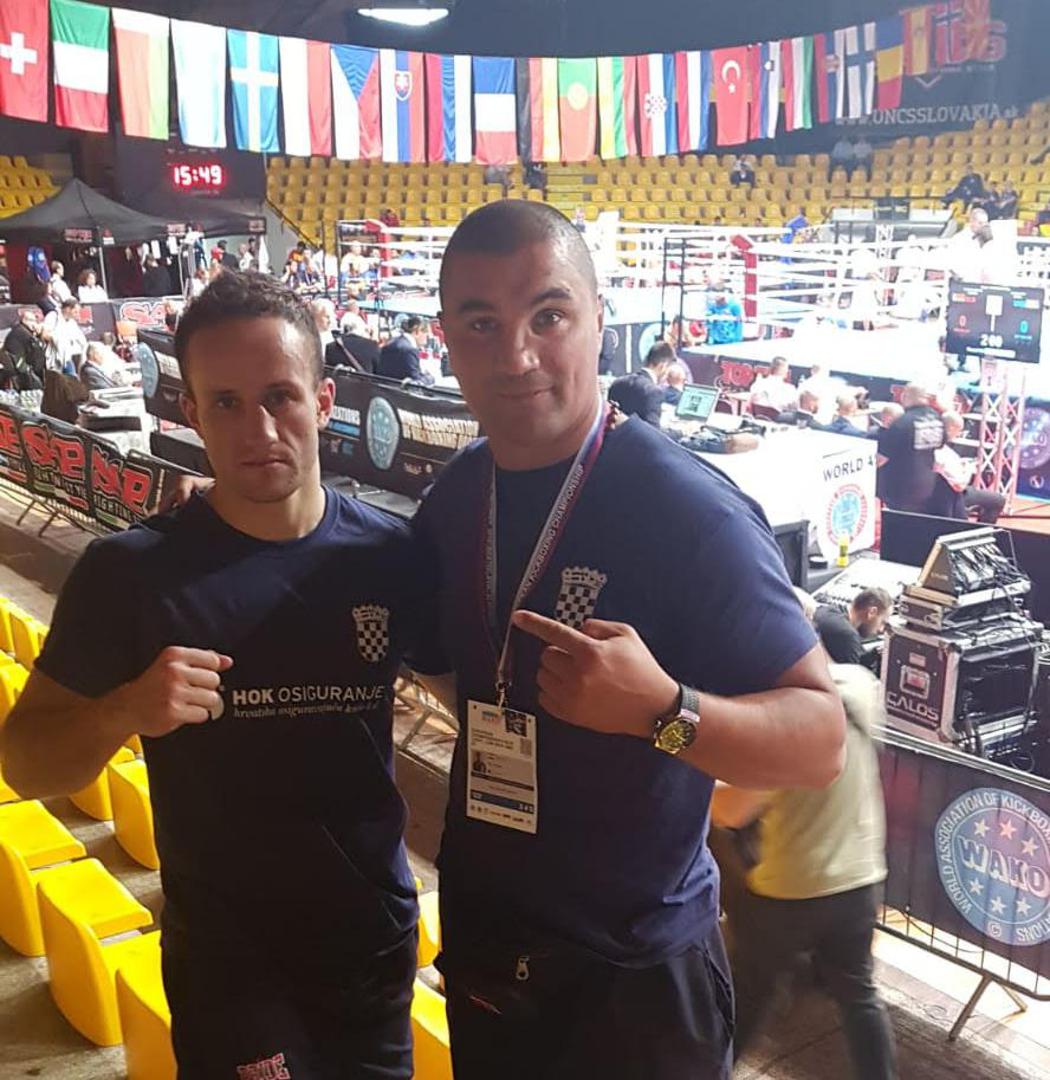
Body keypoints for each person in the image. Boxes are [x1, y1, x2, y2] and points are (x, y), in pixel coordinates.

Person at [407, 200, 845, 1080]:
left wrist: (662, 713)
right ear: (445, 339)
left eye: (549, 315)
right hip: (491, 946)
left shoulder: (688, 511)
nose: (516, 355)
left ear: (601, 322)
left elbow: (820, 741)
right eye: (482, 324)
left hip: (633, 976)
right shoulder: (454, 500)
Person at [0, 271, 434, 1079]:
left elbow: (468, 693)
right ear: (192, 414)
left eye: (280, 396)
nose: (258, 428)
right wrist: (122, 710)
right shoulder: (130, 575)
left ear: (324, 401)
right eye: (227, 403)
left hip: (371, 943)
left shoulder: (390, 555)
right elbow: (23, 763)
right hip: (235, 968)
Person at [712, 658, 897, 1080]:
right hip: (860, 879)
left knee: (750, 992)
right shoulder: (859, 686)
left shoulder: (789, 721)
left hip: (790, 888)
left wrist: (694, 785)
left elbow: (733, 810)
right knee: (860, 995)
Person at [876, 383, 945, 513]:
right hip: (927, 483)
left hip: (901, 486)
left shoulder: (903, 422)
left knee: (899, 521)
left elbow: (882, 458)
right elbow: (941, 444)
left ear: (906, 396)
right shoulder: (937, 418)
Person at [933, 411, 1006, 524]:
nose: (959, 434)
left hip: (939, 490)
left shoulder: (932, 446)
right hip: (952, 494)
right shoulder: (944, 453)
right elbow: (959, 485)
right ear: (951, 428)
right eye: (959, 430)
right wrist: (968, 469)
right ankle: (981, 530)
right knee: (998, 500)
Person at [812, 588, 892, 667]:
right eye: (882, 622)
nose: (881, 629)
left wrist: (874, 654)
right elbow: (854, 673)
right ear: (872, 612)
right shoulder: (847, 634)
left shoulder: (827, 611)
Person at [608, 341, 674, 426]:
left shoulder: (617, 383)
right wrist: (677, 432)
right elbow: (652, 431)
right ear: (663, 366)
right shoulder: (654, 392)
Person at [1, 307, 47, 389]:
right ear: (25, 320)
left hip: (15, 368)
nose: (35, 323)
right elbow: (37, 358)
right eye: (33, 321)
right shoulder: (25, 335)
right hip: (22, 372)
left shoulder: (17, 330)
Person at [377, 315, 431, 383]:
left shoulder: (391, 342)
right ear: (417, 331)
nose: (428, 337)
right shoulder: (410, 351)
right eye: (426, 333)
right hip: (396, 388)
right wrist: (429, 378)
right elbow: (416, 381)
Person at [42, 298, 88, 374]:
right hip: (53, 356)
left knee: (72, 378)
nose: (77, 314)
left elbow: (82, 340)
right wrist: (57, 340)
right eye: (75, 311)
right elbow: (44, 335)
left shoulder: (72, 323)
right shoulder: (53, 316)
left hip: (67, 357)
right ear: (67, 309)